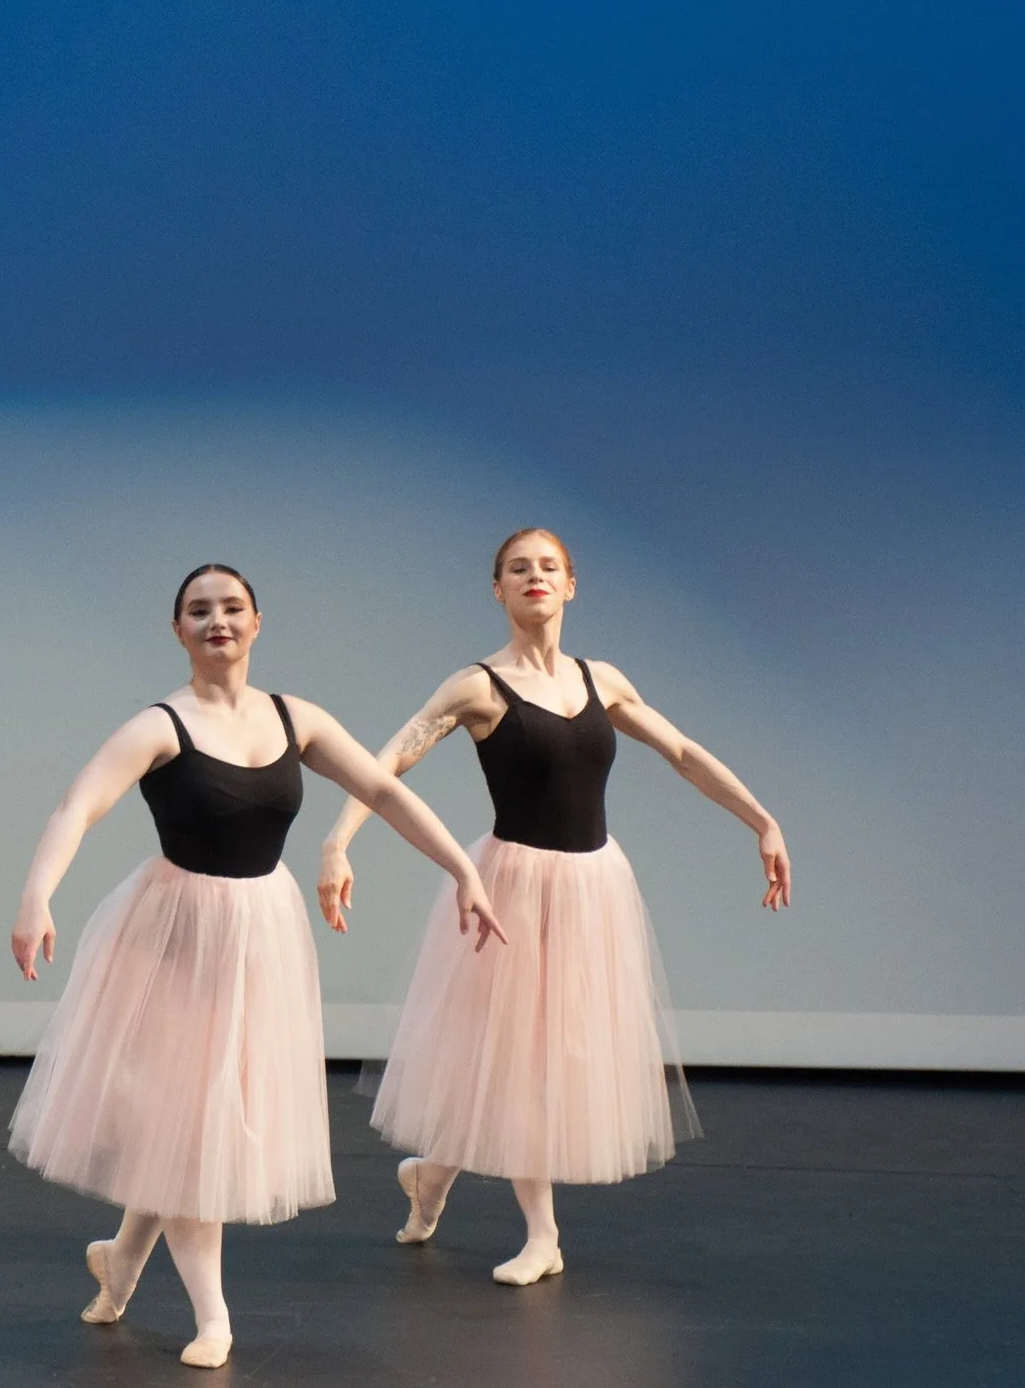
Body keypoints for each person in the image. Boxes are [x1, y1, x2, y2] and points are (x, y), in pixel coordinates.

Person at [8, 564, 501, 1369]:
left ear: (258, 622)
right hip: (171, 935)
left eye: (231, 608)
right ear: (179, 631)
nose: (217, 621)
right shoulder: (161, 724)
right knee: (198, 1124)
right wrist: (37, 894)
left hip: (259, 933)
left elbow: (381, 787)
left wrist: (462, 868)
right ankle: (214, 1317)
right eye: (199, 611)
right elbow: (79, 803)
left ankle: (122, 1259)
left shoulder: (293, 718)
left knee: (197, 1122)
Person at [318, 527, 790, 1286]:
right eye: (517, 568)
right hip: (511, 887)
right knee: (519, 1058)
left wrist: (761, 818)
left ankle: (432, 1175)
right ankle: (544, 1235)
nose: (533, 576)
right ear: (497, 589)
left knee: (544, 1054)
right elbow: (390, 760)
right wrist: (339, 840)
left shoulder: (602, 680)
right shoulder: (476, 686)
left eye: (548, 566)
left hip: (592, 886)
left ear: (571, 585)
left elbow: (683, 751)